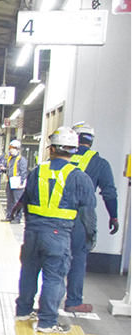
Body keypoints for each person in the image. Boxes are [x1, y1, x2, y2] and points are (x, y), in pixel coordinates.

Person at [12, 127, 96, 333]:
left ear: (51, 149)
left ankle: (23, 310)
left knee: (29, 271)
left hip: (32, 232)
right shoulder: (79, 177)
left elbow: (25, 200)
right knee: (53, 276)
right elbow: (88, 212)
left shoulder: (37, 171)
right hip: (59, 235)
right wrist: (91, 235)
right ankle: (47, 321)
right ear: (73, 151)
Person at [62, 122, 120, 313]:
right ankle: (73, 301)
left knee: (52, 257)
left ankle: (45, 301)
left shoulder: (62, 157)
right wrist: (114, 216)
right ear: (91, 141)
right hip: (81, 216)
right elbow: (109, 192)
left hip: (56, 213)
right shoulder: (99, 163)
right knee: (78, 258)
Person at [3, 139, 28, 223]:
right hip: (10, 181)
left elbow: (23, 172)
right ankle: (9, 216)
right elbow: (8, 169)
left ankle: (17, 218)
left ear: (18, 149)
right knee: (10, 200)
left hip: (17, 181)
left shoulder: (21, 159)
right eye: (10, 148)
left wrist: (21, 183)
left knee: (17, 201)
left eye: (13, 148)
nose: (11, 150)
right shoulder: (10, 159)